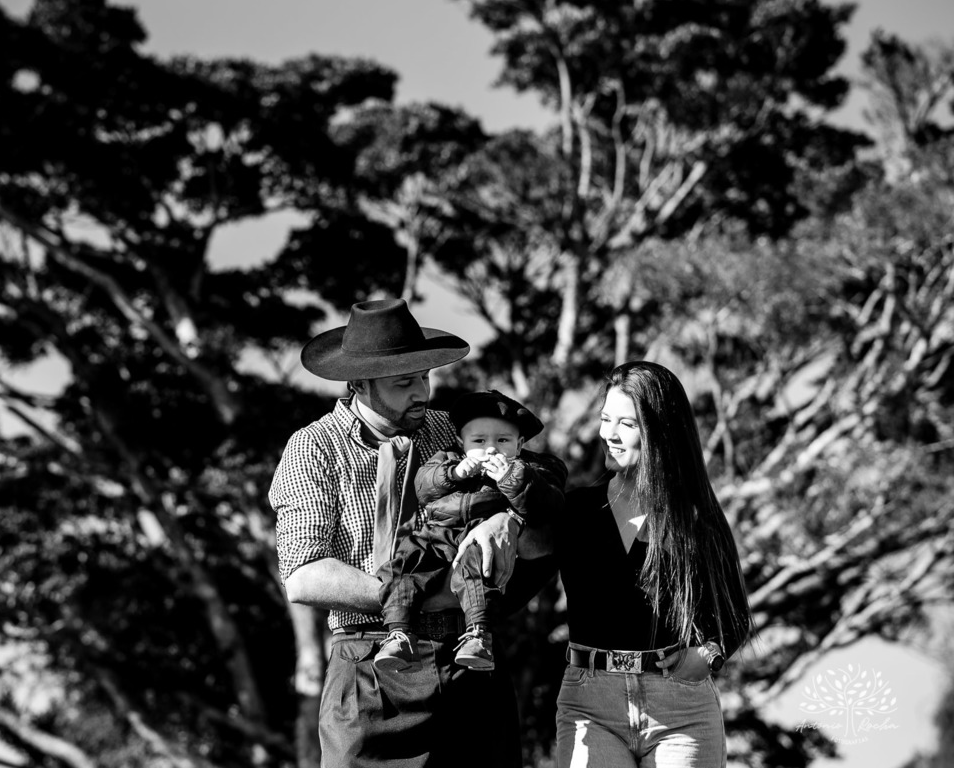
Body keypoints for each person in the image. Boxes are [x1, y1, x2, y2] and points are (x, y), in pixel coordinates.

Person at [268, 298, 556, 768]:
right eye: (404, 382)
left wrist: (511, 516)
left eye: (425, 376)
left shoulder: (450, 429)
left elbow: (539, 481)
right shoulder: (312, 446)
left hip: (470, 662)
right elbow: (303, 574)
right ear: (359, 383)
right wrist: (417, 596)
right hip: (369, 666)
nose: (421, 390)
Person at [551, 360, 753, 768]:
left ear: (660, 432)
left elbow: (733, 617)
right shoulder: (575, 509)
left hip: (682, 711)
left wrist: (709, 653)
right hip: (590, 704)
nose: (608, 434)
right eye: (606, 419)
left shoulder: (697, 518)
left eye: (626, 424)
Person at [374, 389, 566, 673]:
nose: (491, 449)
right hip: (436, 534)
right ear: (461, 443)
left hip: (476, 536)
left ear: (520, 443)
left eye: (503, 440)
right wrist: (453, 473)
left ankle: (478, 635)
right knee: (404, 567)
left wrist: (511, 478)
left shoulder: (528, 468)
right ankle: (398, 633)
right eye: (479, 441)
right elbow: (423, 486)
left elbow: (547, 503)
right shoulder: (448, 460)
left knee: (476, 571)